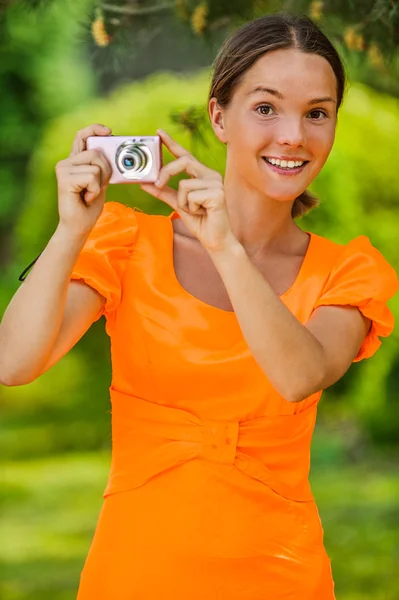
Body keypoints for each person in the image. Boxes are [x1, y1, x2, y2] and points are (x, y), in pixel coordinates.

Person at [1, 12, 398, 600]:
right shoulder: (127, 243)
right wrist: (69, 233)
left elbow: (298, 375)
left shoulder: (348, 271)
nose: (293, 134)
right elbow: (13, 363)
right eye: (266, 107)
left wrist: (224, 246)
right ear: (219, 115)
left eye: (317, 112)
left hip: (281, 578)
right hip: (132, 573)